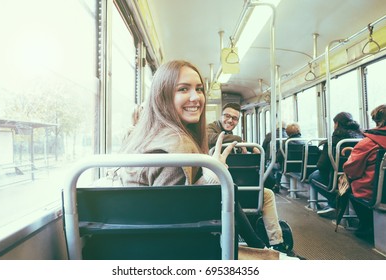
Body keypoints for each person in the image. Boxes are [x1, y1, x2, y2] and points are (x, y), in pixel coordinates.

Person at [115, 60, 299, 259]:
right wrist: (212, 178)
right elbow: (179, 228)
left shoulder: (146, 138)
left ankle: (262, 246)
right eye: (183, 89)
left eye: (199, 89)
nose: (196, 97)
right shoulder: (176, 148)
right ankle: (266, 247)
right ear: (163, 95)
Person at [207, 105, 291, 254]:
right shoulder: (212, 129)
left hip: (238, 187)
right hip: (218, 188)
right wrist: (241, 141)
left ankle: (276, 242)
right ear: (221, 116)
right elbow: (211, 139)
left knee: (268, 194)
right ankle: (260, 245)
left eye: (234, 118)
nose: (230, 120)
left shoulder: (233, 140)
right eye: (227, 116)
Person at [309, 112, 364, 218]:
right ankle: (335, 203)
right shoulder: (361, 138)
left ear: (337, 124)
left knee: (313, 176)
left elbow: (322, 166)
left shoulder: (333, 141)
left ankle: (335, 202)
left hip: (339, 179)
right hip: (357, 176)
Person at [343, 104, 386, 239]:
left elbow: (352, 170)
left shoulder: (368, 143)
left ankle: (366, 225)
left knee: (348, 185)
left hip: (374, 191)